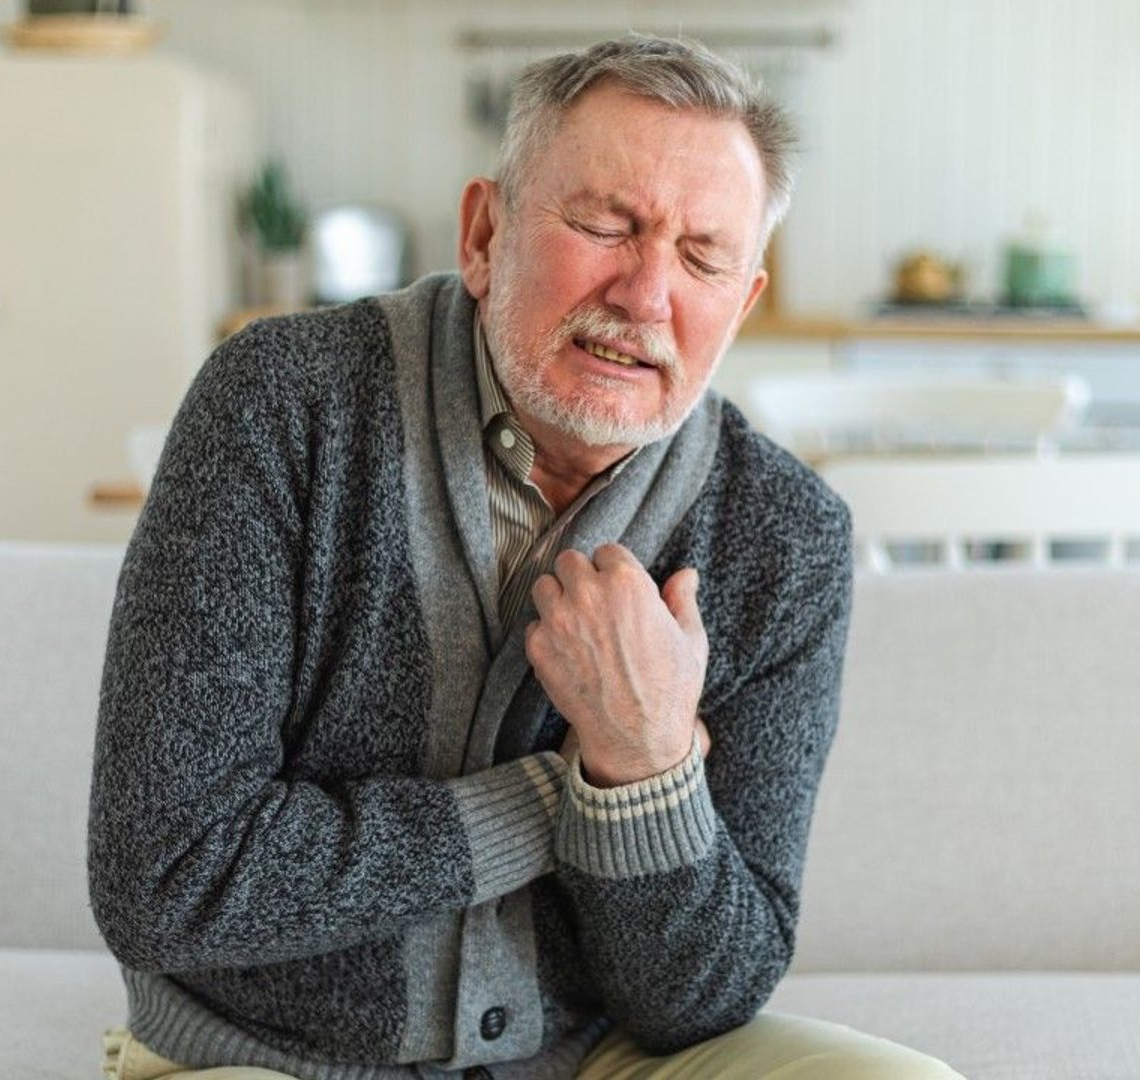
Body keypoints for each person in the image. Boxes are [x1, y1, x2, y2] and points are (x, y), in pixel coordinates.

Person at [89, 34, 962, 1080]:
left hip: (591, 1060)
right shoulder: (279, 405)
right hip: (272, 1057)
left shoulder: (786, 535)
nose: (645, 295)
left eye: (701, 258)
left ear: (744, 303)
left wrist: (643, 768)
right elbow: (166, 879)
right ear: (483, 233)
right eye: (604, 225)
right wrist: (564, 796)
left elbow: (710, 996)